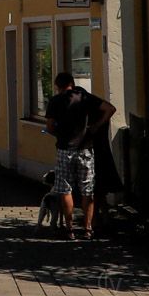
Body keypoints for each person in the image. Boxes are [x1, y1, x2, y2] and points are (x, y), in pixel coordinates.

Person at [45, 71, 116, 240]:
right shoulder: (84, 97)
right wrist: (96, 126)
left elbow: (49, 127)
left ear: (58, 86)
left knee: (65, 190)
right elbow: (110, 108)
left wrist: (58, 134)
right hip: (85, 149)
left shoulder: (55, 101)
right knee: (87, 190)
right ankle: (88, 229)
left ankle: (69, 229)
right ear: (72, 83)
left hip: (64, 149)